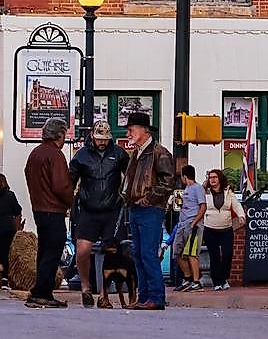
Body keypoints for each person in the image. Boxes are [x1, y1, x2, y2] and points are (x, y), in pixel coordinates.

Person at [120, 111, 178, 310]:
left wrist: (148, 198)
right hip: (137, 208)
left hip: (150, 209)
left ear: (143, 130)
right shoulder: (138, 152)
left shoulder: (159, 152)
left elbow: (168, 181)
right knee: (139, 254)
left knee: (147, 253)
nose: (128, 133)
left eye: (130, 130)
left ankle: (155, 297)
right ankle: (144, 297)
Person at [68, 120, 126, 306]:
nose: (102, 142)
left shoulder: (118, 153)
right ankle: (85, 286)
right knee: (83, 249)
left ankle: (103, 294)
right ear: (93, 135)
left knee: (110, 251)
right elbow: (70, 180)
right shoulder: (82, 156)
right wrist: (68, 202)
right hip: (88, 208)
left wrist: (125, 196)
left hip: (112, 208)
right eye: (99, 139)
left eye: (105, 139)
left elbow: (131, 176)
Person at [24, 116, 73, 309]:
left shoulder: (35, 153)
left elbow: (28, 175)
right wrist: (71, 201)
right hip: (53, 210)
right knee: (52, 253)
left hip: (39, 209)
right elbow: (61, 185)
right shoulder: (55, 155)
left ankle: (39, 291)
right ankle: (43, 292)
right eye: (64, 134)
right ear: (59, 134)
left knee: (44, 252)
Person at [196, 167, 245, 289]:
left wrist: (241, 215)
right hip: (210, 228)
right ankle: (217, 282)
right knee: (214, 256)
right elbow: (200, 207)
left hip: (226, 228)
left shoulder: (228, 192)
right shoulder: (205, 192)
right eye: (210, 177)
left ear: (219, 179)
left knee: (228, 253)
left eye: (215, 177)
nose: (212, 180)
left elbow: (236, 205)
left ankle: (224, 278)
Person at [167, 166, 201, 289]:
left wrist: (194, 222)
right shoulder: (186, 189)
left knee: (192, 253)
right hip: (182, 224)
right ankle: (187, 278)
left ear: (185, 176)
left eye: (181, 176)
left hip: (192, 223)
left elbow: (203, 206)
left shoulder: (198, 188)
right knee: (177, 252)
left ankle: (196, 282)